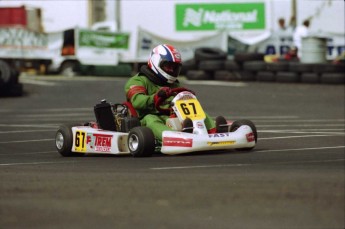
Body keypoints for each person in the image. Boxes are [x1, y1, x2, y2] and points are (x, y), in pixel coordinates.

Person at [124, 44, 226, 142]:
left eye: (174, 67)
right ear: (156, 62)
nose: (172, 70)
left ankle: (216, 133)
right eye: (168, 66)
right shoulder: (138, 81)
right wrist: (155, 97)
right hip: (145, 120)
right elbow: (137, 101)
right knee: (151, 119)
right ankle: (177, 138)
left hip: (169, 116)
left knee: (199, 113)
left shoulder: (173, 84)